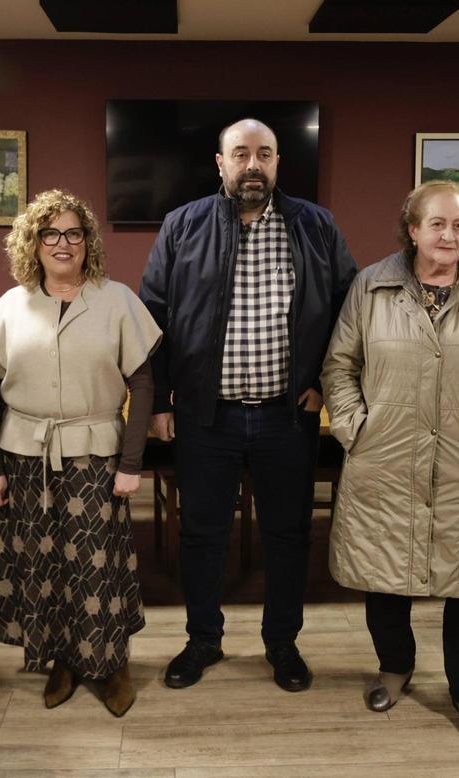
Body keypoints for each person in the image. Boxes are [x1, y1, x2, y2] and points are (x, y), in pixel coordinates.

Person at [140, 118, 358, 692]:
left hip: (288, 416)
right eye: (241, 154)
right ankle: (203, 640)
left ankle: (282, 643)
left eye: (264, 153)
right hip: (206, 415)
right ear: (221, 163)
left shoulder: (315, 225)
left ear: (278, 161)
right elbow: (152, 315)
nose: (253, 164)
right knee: (202, 533)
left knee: (289, 535)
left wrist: (330, 383)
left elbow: (349, 311)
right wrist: (161, 398)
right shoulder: (181, 226)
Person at [321, 180, 459, 747]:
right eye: (437, 224)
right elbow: (339, 366)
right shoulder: (370, 287)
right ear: (413, 229)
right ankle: (394, 669)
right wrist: (354, 428)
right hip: (385, 459)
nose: (449, 235)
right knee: (384, 576)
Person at [0, 189, 160, 717]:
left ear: (88, 242)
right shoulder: (9, 308)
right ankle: (62, 658)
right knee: (43, 563)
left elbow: (143, 384)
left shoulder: (118, 300)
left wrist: (131, 463)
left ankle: (112, 662)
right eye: (50, 234)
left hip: (95, 455)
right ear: (32, 244)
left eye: (73, 233)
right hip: (24, 454)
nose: (63, 244)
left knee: (97, 567)